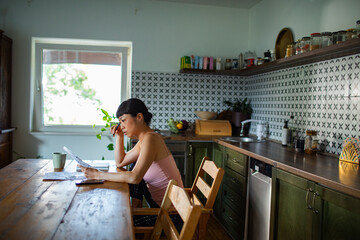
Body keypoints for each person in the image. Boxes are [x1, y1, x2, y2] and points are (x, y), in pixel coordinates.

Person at [79, 98, 184, 226]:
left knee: (116, 223)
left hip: (172, 216)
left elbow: (134, 177)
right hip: (161, 208)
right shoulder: (145, 140)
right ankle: (135, 207)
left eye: (123, 120)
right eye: (119, 122)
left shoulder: (151, 139)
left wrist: (97, 175)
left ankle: (135, 209)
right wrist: (120, 137)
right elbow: (120, 162)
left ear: (139, 117)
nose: (121, 125)